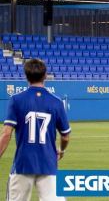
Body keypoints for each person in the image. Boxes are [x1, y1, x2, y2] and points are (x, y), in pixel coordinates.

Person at [0, 58, 71, 201]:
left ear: (26, 77)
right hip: (48, 163)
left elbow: (6, 134)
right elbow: (65, 137)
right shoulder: (57, 102)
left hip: (23, 163)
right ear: (45, 76)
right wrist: (61, 150)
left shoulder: (16, 100)